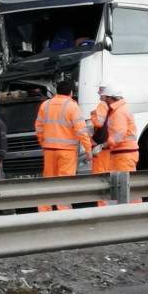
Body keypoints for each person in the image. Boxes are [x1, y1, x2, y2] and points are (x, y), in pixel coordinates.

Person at [35, 79, 91, 211]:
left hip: (49, 150)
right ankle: (63, 211)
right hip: (66, 152)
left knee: (48, 182)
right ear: (71, 92)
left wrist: (43, 143)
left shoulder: (45, 105)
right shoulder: (72, 106)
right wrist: (88, 149)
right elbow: (81, 130)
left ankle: (44, 211)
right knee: (65, 182)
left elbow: (38, 127)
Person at [97, 84, 142, 203]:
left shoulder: (118, 113)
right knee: (126, 188)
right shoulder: (118, 110)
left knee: (126, 189)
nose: (102, 102)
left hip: (124, 154)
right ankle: (134, 213)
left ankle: (135, 215)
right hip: (123, 154)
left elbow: (118, 134)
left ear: (109, 98)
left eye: (103, 98)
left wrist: (104, 145)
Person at [89, 85, 111, 206]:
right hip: (108, 147)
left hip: (102, 149)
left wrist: (93, 115)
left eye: (100, 92)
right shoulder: (115, 107)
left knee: (100, 177)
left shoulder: (102, 105)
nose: (99, 94)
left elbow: (99, 123)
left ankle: (102, 207)